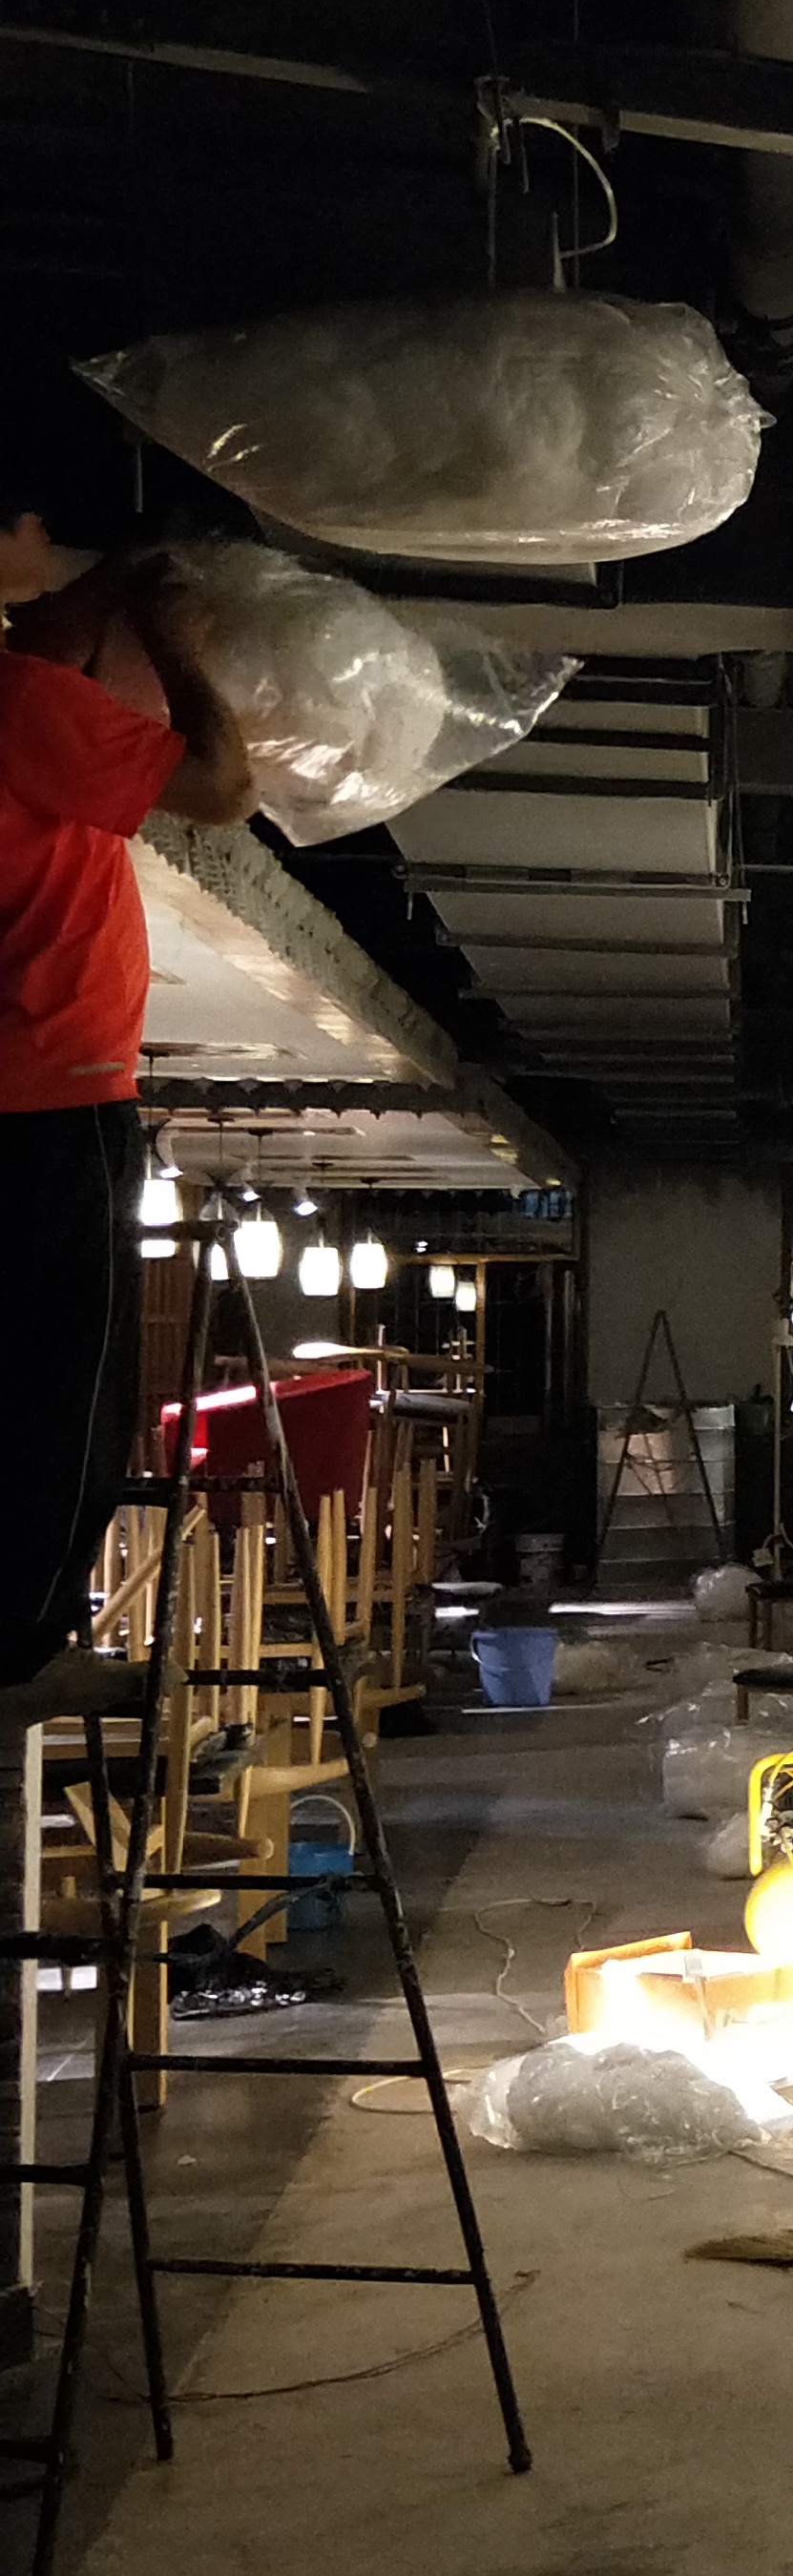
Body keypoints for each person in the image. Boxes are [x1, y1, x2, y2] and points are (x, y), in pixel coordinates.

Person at [0, 504, 259, 1729]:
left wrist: (110, 578)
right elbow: (221, 786)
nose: (42, 530)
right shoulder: (21, 705)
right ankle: (21, 1648)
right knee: (72, 1385)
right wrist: (175, 644)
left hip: (25, 1092)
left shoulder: (22, 691)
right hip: (52, 1090)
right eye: (26, 520)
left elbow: (42, 650)